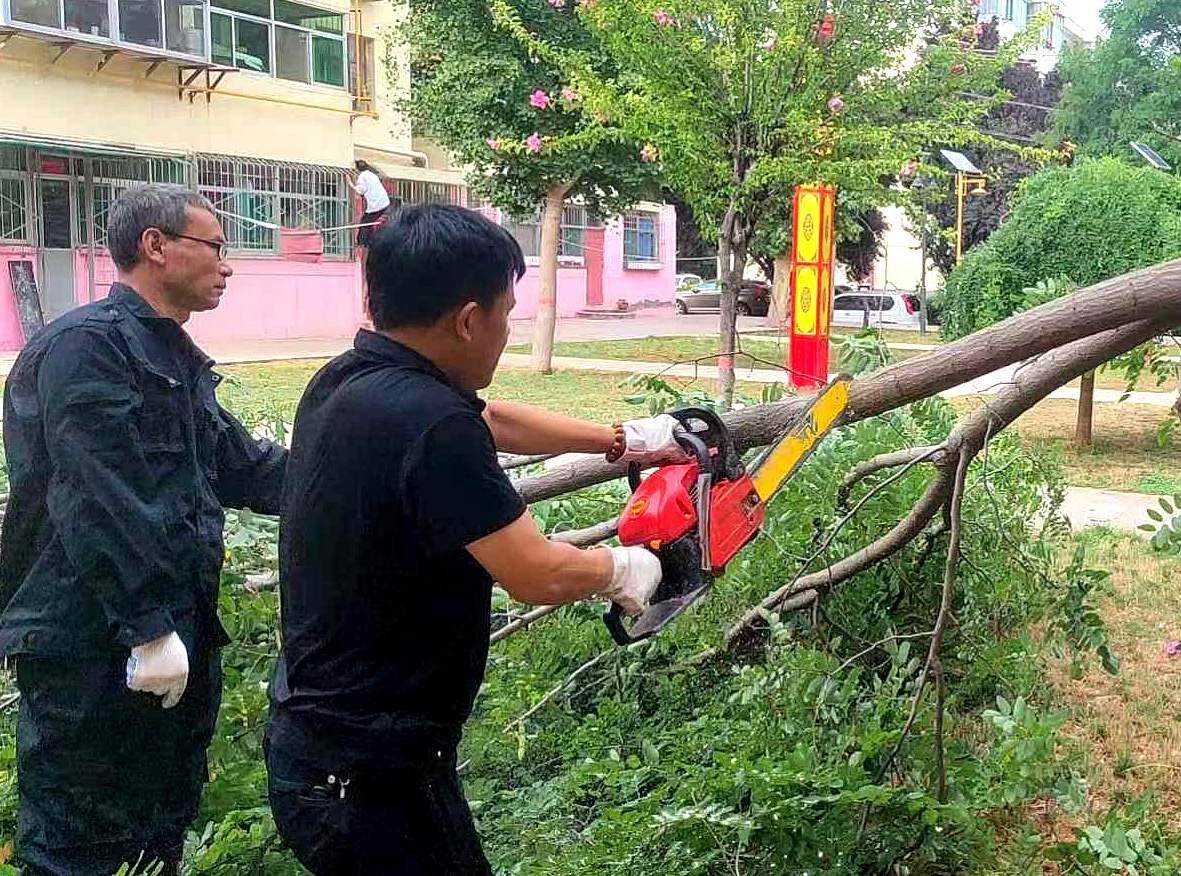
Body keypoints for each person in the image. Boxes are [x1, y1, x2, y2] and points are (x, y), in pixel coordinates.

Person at [265, 203, 680, 875]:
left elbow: (494, 420)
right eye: (505, 313)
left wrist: (625, 440)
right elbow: (535, 573)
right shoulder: (431, 425)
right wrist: (626, 569)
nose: (506, 331)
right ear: (466, 319)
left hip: (321, 749)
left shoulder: (351, 380)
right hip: (373, 773)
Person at [0, 184, 287, 875]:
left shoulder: (173, 358)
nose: (226, 264)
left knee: (159, 817)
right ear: (155, 246)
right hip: (89, 638)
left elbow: (246, 469)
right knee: (78, 834)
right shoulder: (86, 351)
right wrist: (148, 628)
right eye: (214, 246)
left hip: (169, 629)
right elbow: (98, 500)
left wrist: (361, 470)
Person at [349, 160, 392, 249]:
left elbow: (360, 190)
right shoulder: (372, 174)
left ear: (357, 170)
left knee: (364, 223)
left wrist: (350, 184)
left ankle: (363, 242)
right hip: (385, 203)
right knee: (372, 222)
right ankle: (370, 239)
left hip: (376, 206)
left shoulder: (362, 176)